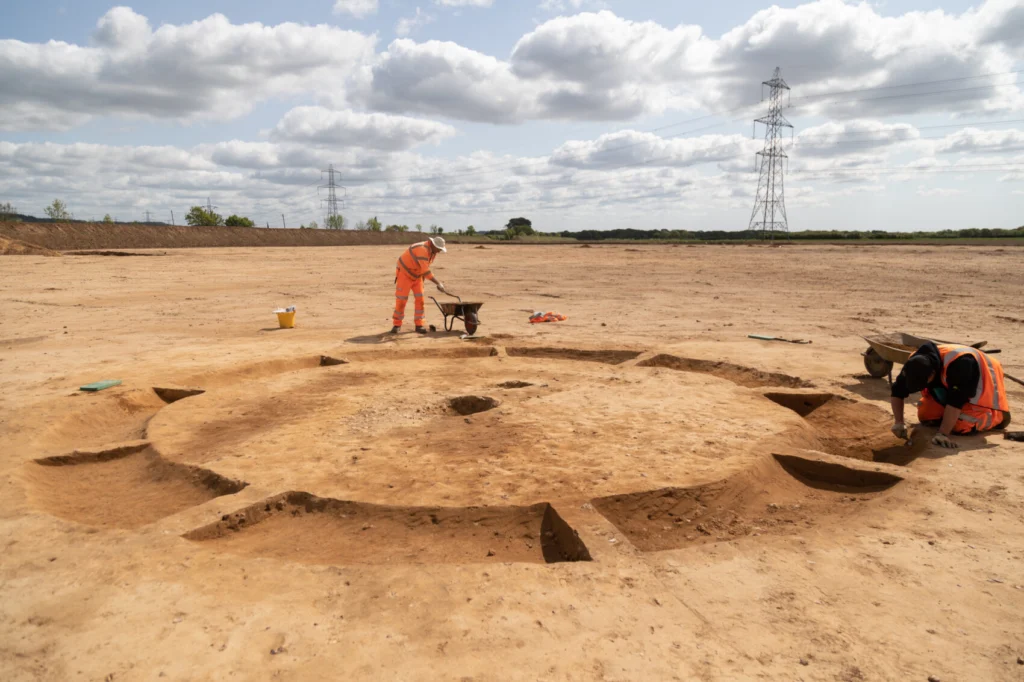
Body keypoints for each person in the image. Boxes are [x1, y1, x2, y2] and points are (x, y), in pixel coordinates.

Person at [890, 341, 1011, 449]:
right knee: (926, 414)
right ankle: (948, 419)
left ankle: (998, 417)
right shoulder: (914, 363)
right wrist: (899, 422)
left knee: (961, 425)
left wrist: (942, 434)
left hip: (983, 392)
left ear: (932, 373)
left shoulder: (961, 364)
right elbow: (897, 390)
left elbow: (956, 401)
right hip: (953, 388)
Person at [391, 236, 450, 334]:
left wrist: (422, 279)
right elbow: (426, 270)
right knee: (401, 300)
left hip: (417, 275)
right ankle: (397, 325)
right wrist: (438, 283)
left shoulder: (432, 252)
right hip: (405, 274)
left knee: (420, 300)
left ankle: (419, 325)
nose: (439, 251)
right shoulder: (422, 249)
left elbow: (423, 268)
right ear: (434, 245)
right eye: (439, 249)